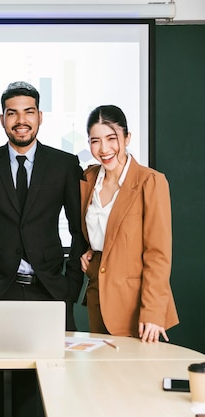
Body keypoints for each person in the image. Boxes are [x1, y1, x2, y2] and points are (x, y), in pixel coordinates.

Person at [0, 81, 87, 417]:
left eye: (28, 112)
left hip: (49, 288)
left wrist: (70, 285)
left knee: (47, 386)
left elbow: (78, 230)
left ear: (40, 116)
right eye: (13, 113)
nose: (21, 119)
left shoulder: (63, 164)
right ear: (2, 118)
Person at [80, 104, 179, 342]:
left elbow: (158, 254)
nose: (104, 149)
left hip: (137, 306)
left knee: (133, 378)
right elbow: (108, 232)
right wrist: (91, 250)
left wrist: (153, 312)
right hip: (99, 297)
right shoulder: (88, 178)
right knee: (100, 376)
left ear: (127, 137)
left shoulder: (151, 182)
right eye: (95, 141)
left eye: (111, 138)